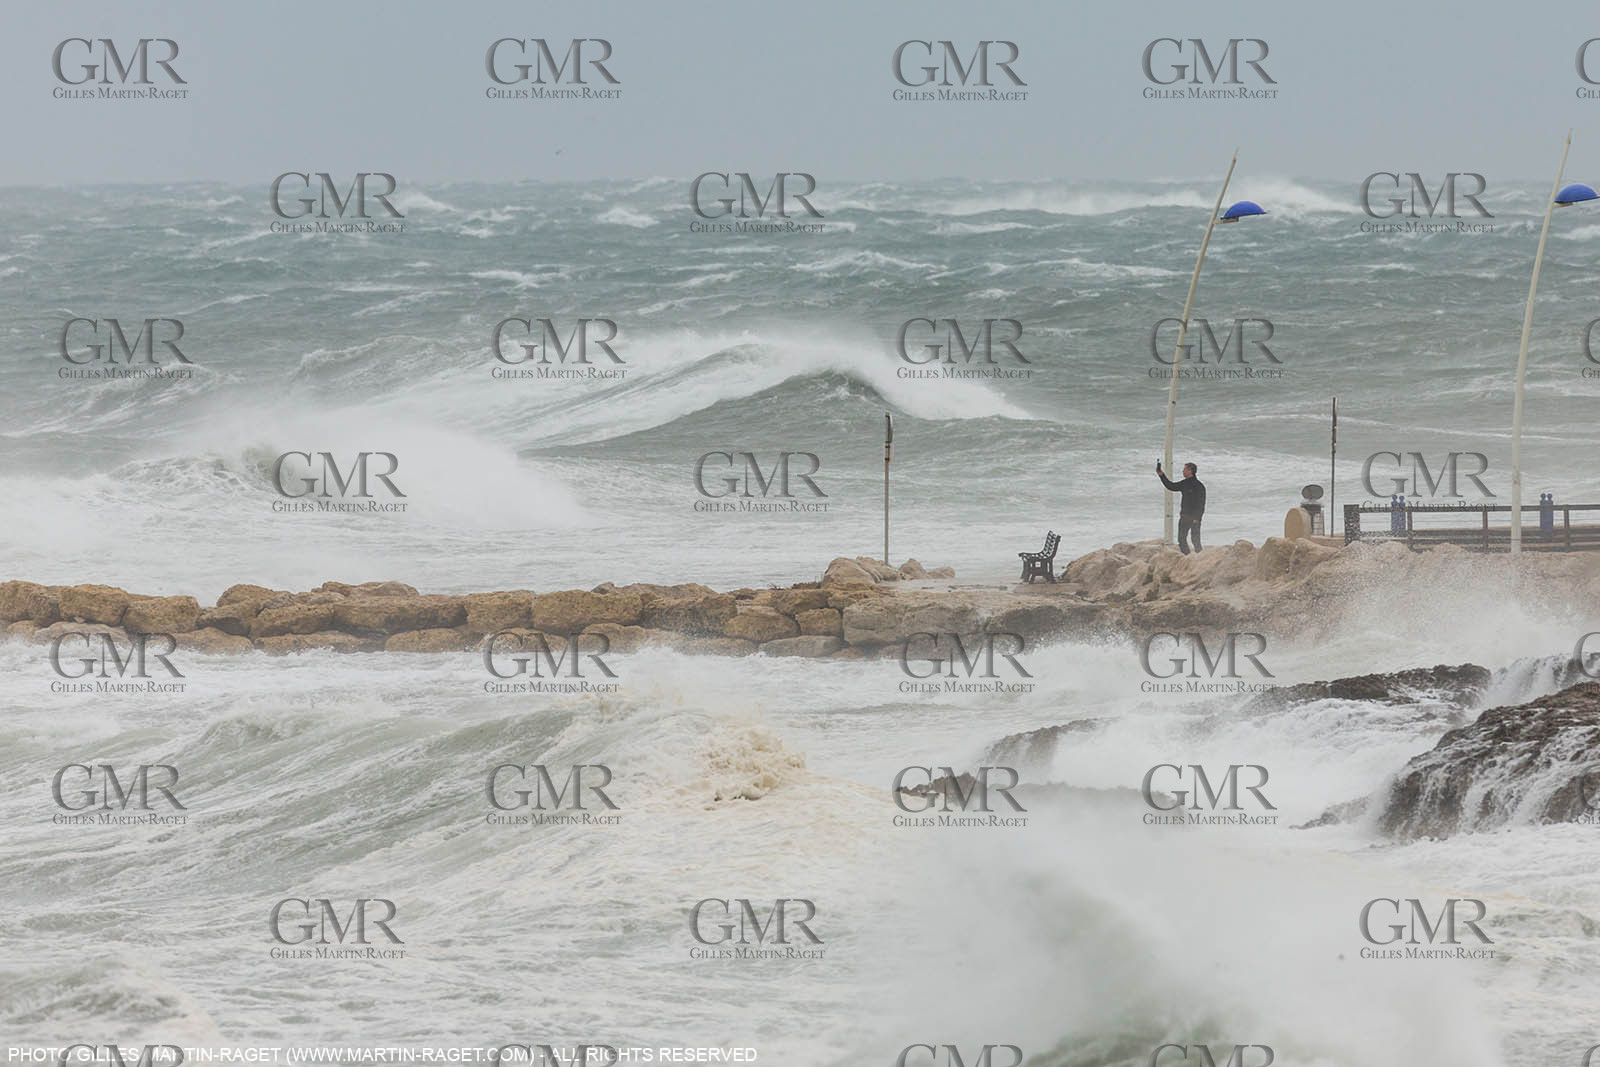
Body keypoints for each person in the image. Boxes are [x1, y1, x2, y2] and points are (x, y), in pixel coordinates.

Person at [1156, 460, 1206, 554]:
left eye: (1184, 469)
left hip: (1195, 518)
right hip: (1184, 517)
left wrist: (1197, 518)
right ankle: (1188, 557)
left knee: (1195, 540)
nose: (1182, 471)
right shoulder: (1184, 483)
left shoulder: (1199, 486)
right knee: (1181, 540)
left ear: (1190, 470)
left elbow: (1201, 504)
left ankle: (1200, 557)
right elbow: (1171, 486)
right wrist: (1161, 475)